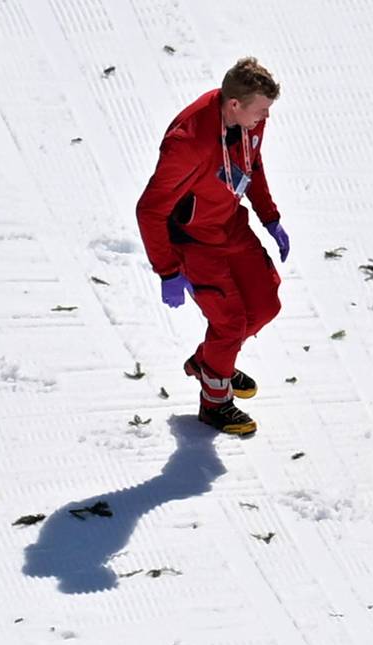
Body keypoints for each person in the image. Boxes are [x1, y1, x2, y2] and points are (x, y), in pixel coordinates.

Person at [136, 57, 289, 436]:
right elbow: (149, 210)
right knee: (229, 322)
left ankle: (210, 363)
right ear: (234, 104)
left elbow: (251, 163)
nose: (265, 118)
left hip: (229, 224)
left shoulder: (251, 118)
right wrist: (168, 271)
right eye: (261, 110)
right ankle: (215, 403)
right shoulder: (188, 144)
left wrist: (269, 215)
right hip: (194, 242)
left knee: (266, 302)